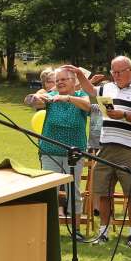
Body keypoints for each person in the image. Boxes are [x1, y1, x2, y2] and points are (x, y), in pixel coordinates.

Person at [92, 56, 131, 247]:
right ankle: (103, 232)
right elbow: (88, 91)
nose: (116, 75)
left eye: (120, 72)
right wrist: (79, 75)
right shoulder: (107, 88)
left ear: (130, 70)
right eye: (114, 72)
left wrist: (124, 115)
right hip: (106, 146)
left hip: (129, 148)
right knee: (103, 192)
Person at [34, 64, 94, 225]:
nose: (60, 82)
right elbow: (34, 102)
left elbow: (88, 107)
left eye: (63, 79)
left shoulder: (82, 95)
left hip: (73, 153)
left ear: (73, 81)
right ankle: (48, 230)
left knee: (73, 191)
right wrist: (35, 98)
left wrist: (67, 98)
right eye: (57, 80)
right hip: (50, 151)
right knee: (48, 191)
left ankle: (76, 230)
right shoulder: (51, 95)